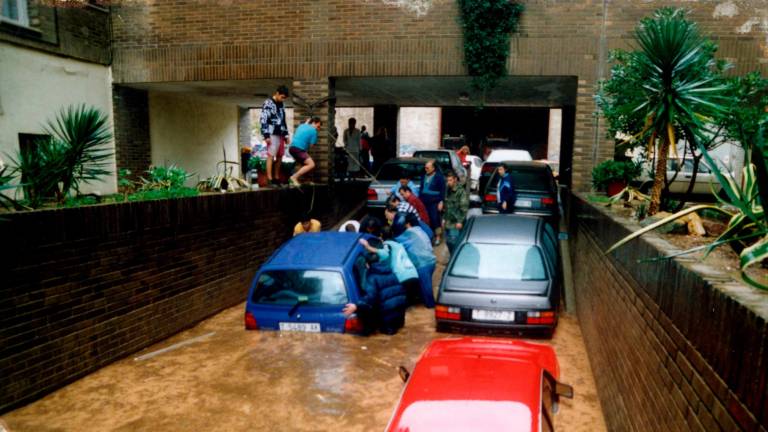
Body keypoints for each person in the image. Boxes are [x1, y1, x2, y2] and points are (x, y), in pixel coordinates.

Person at [342, 240, 407, 335]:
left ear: (367, 265)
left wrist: (356, 306)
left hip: (387, 317)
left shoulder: (372, 278)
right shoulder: (390, 272)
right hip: (398, 313)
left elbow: (370, 297)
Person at [359, 235, 420, 307]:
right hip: (413, 274)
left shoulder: (386, 244)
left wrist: (368, 247)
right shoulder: (399, 245)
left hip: (401, 277)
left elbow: (384, 253)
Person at [391, 212, 436, 308]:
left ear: (407, 224)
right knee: (425, 285)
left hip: (423, 264)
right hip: (431, 260)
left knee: (426, 288)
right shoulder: (419, 228)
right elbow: (431, 234)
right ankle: (424, 301)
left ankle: (431, 306)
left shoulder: (408, 234)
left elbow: (395, 240)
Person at [260, 85, 290, 186]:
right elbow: (263, 119)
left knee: (280, 155)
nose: (283, 99)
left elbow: (283, 120)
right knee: (271, 155)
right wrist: (266, 135)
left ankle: (276, 178)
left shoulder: (282, 104)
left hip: (280, 133)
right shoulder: (268, 103)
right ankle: (270, 179)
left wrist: (286, 134)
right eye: (282, 97)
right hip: (271, 133)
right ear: (277, 93)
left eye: (284, 98)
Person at [288, 116, 321, 187]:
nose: (318, 129)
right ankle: (293, 177)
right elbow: (311, 145)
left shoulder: (302, 125)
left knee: (305, 164)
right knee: (311, 164)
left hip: (291, 148)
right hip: (298, 149)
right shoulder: (314, 131)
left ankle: (307, 180)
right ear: (314, 123)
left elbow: (306, 123)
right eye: (318, 126)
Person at [419, 160, 446, 245]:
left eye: (428, 167)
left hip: (434, 202)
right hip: (424, 202)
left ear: (433, 168)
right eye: (425, 167)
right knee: (425, 219)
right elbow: (421, 188)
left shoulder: (439, 177)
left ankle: (438, 236)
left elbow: (443, 190)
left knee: (435, 219)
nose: (426, 169)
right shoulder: (424, 176)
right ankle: (429, 236)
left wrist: (441, 201)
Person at [443, 170, 469, 254]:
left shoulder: (461, 192)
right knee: (448, 242)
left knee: (454, 244)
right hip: (448, 221)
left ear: (455, 180)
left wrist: (460, 221)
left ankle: (455, 260)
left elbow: (464, 208)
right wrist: (444, 218)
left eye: (450, 180)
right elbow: (447, 205)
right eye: (447, 180)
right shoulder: (448, 189)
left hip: (455, 223)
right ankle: (452, 258)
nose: (448, 182)